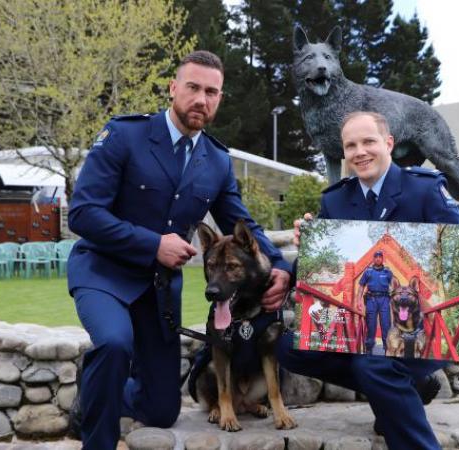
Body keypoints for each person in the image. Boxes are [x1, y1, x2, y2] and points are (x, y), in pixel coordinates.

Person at [66, 50, 291, 450]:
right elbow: (82, 214)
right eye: (193, 88)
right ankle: (96, 438)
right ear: (173, 88)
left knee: (161, 409)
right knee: (115, 342)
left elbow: (244, 224)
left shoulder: (218, 161)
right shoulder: (125, 136)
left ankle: (97, 387)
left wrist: (278, 266)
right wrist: (153, 243)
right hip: (104, 273)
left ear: (220, 98)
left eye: (212, 92)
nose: (201, 100)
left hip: (158, 291)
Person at [277, 111, 459, 450]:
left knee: (374, 361)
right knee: (289, 347)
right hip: (363, 319)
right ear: (343, 153)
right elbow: (323, 270)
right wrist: (308, 246)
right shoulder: (333, 200)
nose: (360, 151)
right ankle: (406, 388)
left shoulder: (423, 189)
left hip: (423, 324)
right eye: (351, 145)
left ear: (388, 143)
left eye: (368, 141)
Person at [357, 250, 393, 355]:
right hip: (371, 300)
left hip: (385, 300)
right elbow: (361, 286)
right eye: (376, 257)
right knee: (371, 325)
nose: (378, 258)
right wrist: (358, 301)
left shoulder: (388, 272)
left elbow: (395, 286)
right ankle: (369, 349)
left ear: (382, 259)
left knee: (386, 325)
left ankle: (387, 349)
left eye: (380, 257)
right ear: (373, 259)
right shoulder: (368, 271)